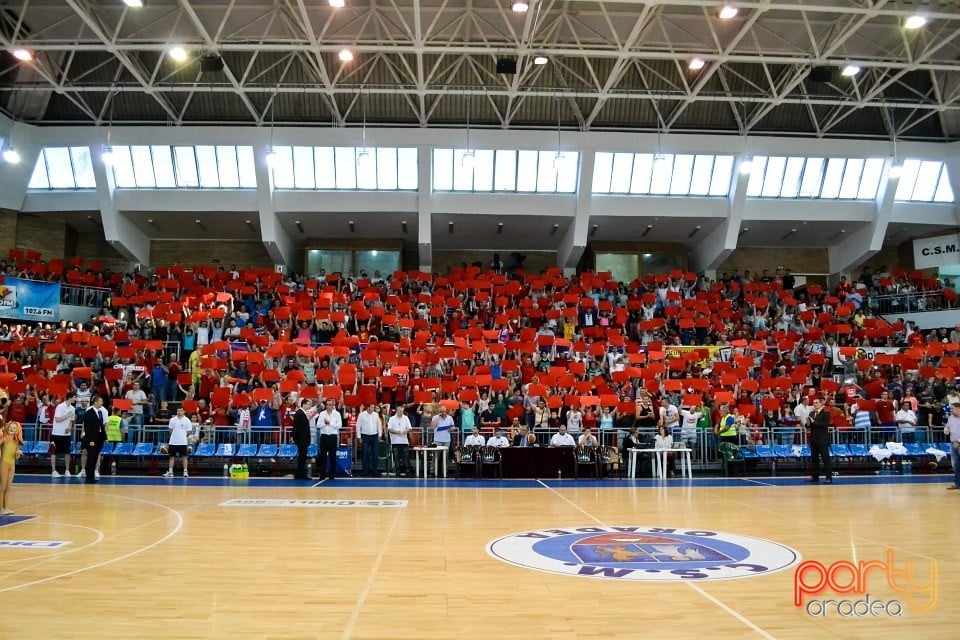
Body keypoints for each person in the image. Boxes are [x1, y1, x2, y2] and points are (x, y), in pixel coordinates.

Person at [81, 396, 108, 484]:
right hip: (92, 440)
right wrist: (90, 440)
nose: (102, 403)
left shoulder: (100, 412)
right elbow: (87, 428)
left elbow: (101, 426)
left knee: (95, 458)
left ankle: (91, 476)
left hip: (99, 439)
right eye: (100, 401)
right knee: (91, 459)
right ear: (95, 402)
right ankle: (89, 477)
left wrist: (105, 437)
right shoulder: (89, 413)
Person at [807, 398, 833, 484]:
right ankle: (815, 476)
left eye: (816, 402)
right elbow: (809, 426)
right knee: (814, 459)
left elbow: (825, 425)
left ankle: (828, 477)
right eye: (814, 403)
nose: (815, 404)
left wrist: (814, 422)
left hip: (822, 440)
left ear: (821, 404)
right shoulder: (811, 413)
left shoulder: (826, 413)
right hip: (814, 439)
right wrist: (807, 424)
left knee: (826, 459)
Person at [51, 392, 76, 478]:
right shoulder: (60, 407)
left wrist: (69, 427)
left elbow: (72, 420)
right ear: (69, 398)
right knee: (54, 452)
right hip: (56, 433)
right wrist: (67, 415)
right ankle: (54, 471)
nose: (75, 399)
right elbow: (57, 419)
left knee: (67, 452)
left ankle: (67, 470)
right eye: (74, 397)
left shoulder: (73, 408)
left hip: (66, 434)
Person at [1, 420, 23, 514]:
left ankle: (6, 508)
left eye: (14, 428)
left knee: (8, 487)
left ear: (17, 430)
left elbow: (15, 456)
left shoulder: (16, 441)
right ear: (7, 428)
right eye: (10, 427)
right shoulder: (4, 439)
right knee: (2, 487)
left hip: (12, 465)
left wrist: (18, 453)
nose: (11, 429)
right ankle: (0, 509)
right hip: (3, 465)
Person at [317, 400, 342, 480]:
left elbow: (339, 425)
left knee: (332, 456)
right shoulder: (322, 414)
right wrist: (325, 423)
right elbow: (318, 425)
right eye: (327, 405)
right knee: (323, 456)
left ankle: (332, 474)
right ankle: (322, 474)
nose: (328, 406)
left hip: (333, 437)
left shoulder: (337, 414)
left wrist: (330, 423)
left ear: (333, 405)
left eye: (330, 405)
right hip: (324, 437)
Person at [356, 403, 382, 477]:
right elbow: (358, 426)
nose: (373, 408)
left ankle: (375, 470)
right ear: (367, 407)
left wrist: (380, 435)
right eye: (372, 407)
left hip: (374, 436)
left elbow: (379, 425)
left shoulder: (376, 415)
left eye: (373, 407)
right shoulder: (361, 415)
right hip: (365, 436)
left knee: (375, 453)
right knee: (365, 453)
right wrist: (359, 437)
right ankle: (365, 470)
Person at [387, 405, 412, 477]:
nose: (401, 413)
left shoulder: (406, 418)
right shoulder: (392, 419)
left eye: (402, 411)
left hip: (404, 441)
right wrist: (397, 432)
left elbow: (410, 428)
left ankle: (407, 470)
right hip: (395, 441)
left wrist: (406, 431)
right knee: (396, 457)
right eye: (400, 411)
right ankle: (397, 471)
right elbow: (390, 429)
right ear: (397, 411)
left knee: (406, 457)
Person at [292, 399, 313, 480]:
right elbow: (297, 427)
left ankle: (299, 473)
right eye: (308, 404)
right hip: (301, 439)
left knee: (302, 457)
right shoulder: (299, 413)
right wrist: (295, 438)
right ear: (303, 404)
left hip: (302, 439)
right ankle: (300, 473)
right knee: (302, 457)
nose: (309, 406)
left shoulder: (301, 413)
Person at [944, 402, 960, 491]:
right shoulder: (951, 418)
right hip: (953, 443)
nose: (951, 410)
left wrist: (958, 441)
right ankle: (957, 484)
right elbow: (947, 427)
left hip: (958, 443)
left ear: (958, 409)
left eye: (952, 408)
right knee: (956, 465)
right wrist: (946, 430)